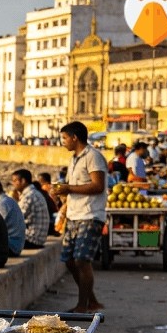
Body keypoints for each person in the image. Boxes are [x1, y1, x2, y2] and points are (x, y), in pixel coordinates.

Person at [53, 121, 107, 312]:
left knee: (82, 260)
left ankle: (83, 305)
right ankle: (91, 300)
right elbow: (76, 186)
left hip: (90, 214)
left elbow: (97, 185)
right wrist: (64, 194)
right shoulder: (74, 159)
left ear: (75, 138)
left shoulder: (93, 157)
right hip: (75, 214)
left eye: (65, 138)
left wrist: (68, 188)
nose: (63, 142)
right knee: (69, 260)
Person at [10, 169, 50, 250]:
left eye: (15, 181)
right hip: (38, 239)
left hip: (31, 239)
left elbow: (15, 219)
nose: (13, 184)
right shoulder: (34, 193)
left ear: (23, 181)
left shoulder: (29, 196)